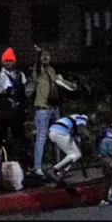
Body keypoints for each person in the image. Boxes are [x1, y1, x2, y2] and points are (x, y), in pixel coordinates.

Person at [28, 46, 77, 177]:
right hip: (43, 108)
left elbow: (59, 83)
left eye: (47, 55)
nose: (45, 58)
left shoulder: (51, 70)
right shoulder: (38, 69)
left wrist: (70, 85)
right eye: (43, 55)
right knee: (41, 138)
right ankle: (37, 168)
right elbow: (38, 65)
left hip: (54, 108)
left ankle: (58, 166)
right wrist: (38, 54)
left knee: (58, 137)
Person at [0, 48, 30, 163]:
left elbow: (26, 92)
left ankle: (20, 163)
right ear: (2, 62)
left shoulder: (20, 75)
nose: (8, 63)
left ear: (14, 62)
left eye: (10, 61)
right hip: (1, 112)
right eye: (6, 61)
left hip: (17, 112)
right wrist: (0, 95)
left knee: (19, 139)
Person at [45, 113, 93, 186]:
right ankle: (53, 170)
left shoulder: (75, 119)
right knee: (76, 154)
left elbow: (76, 134)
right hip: (60, 132)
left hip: (56, 132)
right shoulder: (83, 117)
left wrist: (79, 139)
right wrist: (89, 137)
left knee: (72, 155)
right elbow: (81, 127)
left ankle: (61, 175)